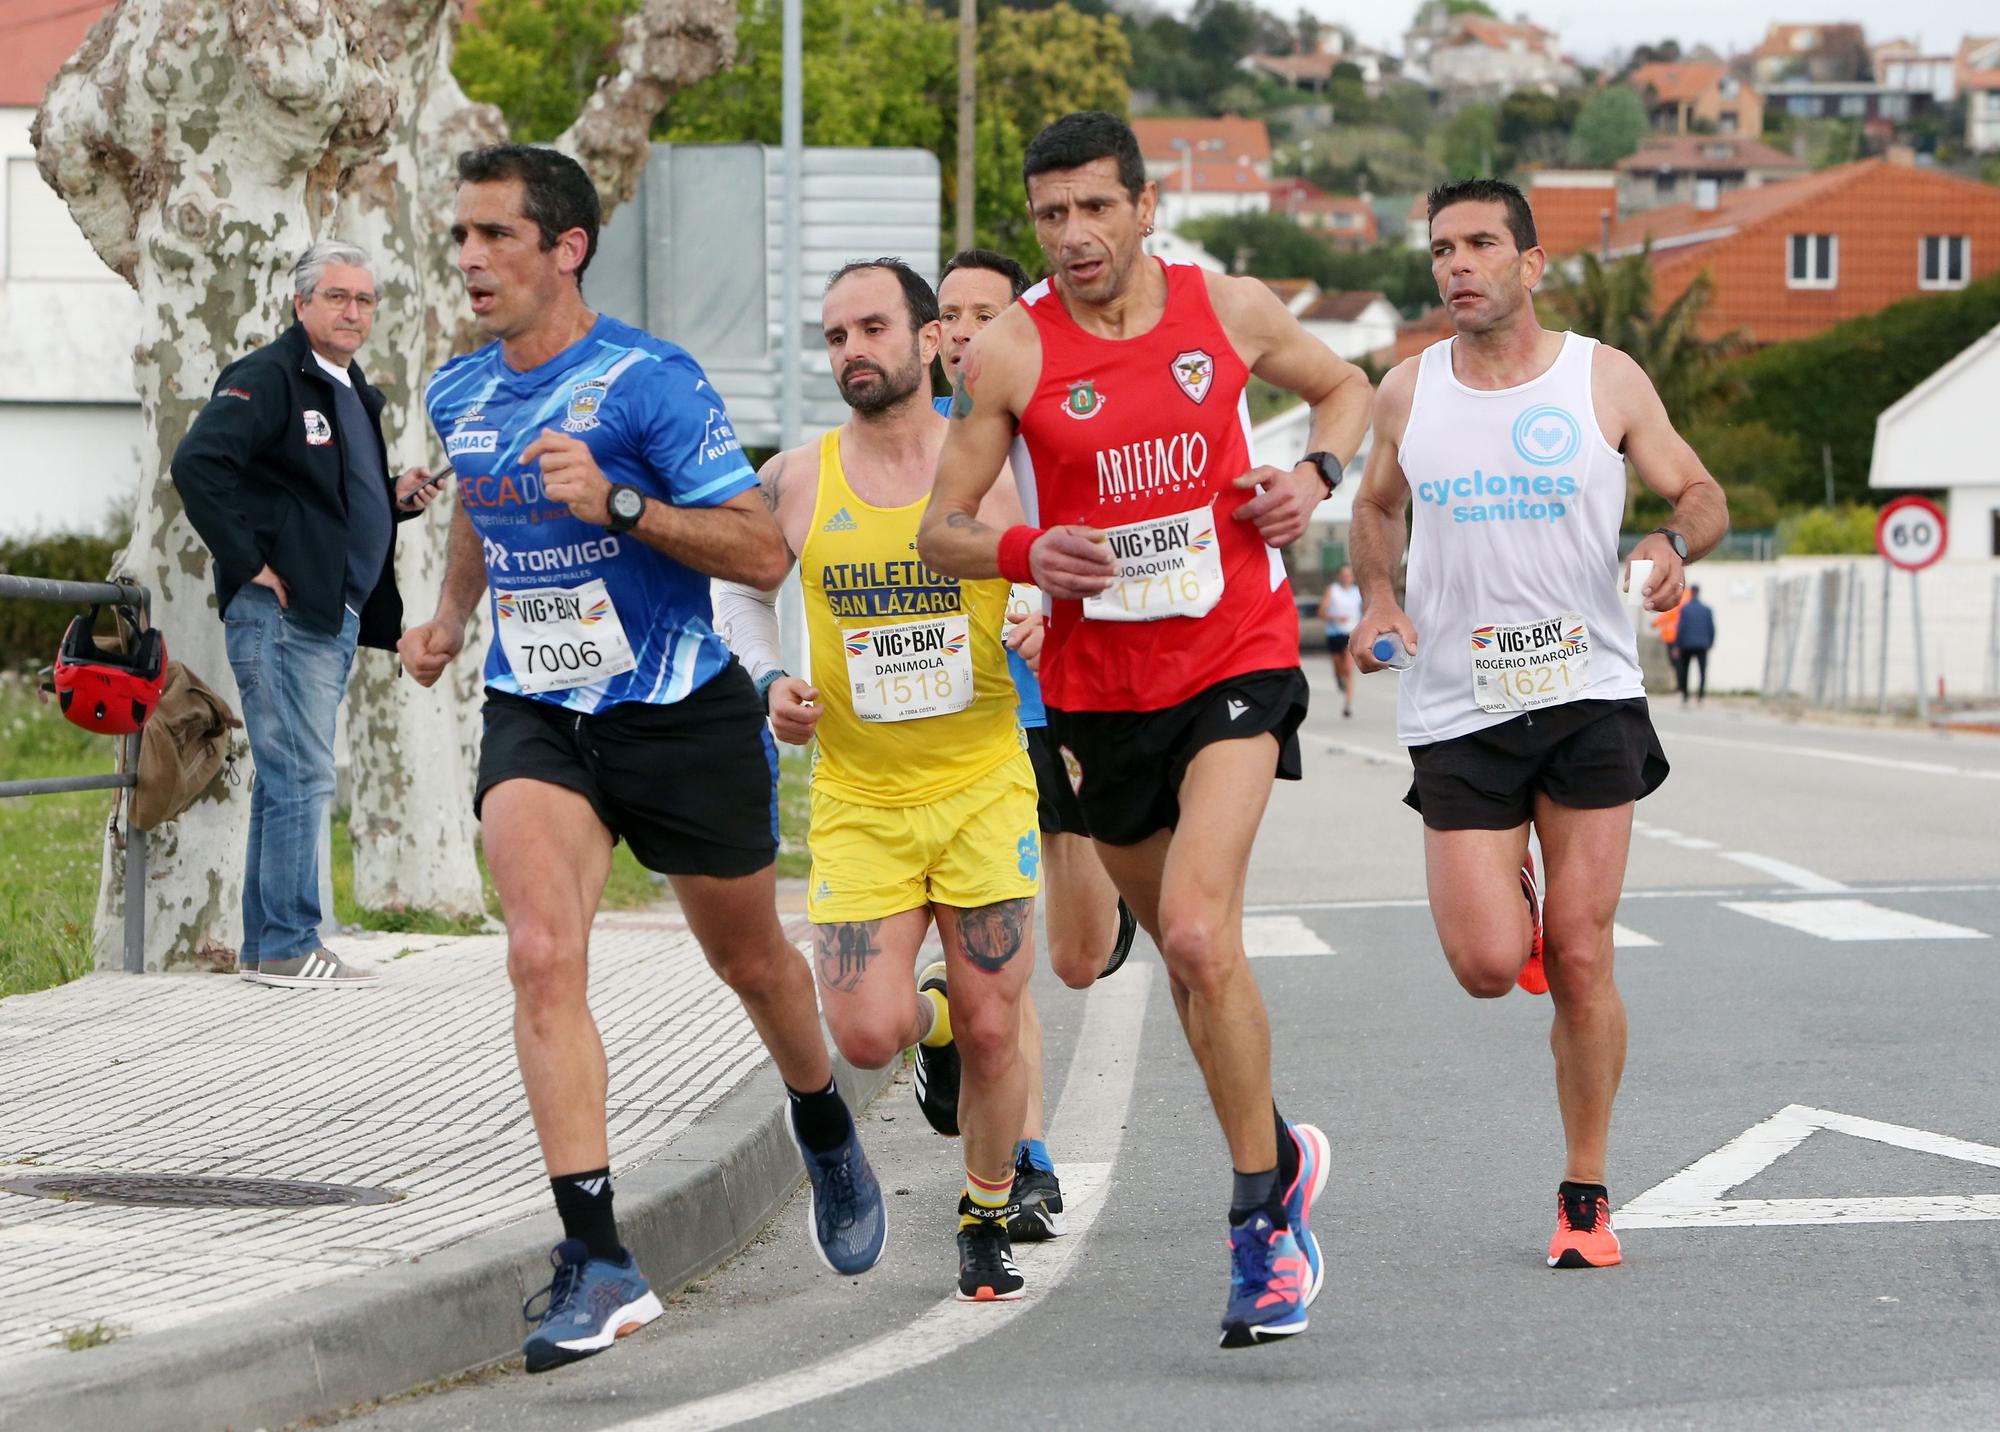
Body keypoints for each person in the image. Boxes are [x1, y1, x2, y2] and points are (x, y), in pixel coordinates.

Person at [397, 145, 884, 1374]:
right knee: (542, 951)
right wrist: (455, 617)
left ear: (565, 248)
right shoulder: (458, 388)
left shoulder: (650, 382)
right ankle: (598, 1254)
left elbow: (762, 553)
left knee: (755, 961)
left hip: (677, 709)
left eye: (496, 235)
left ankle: (821, 1121)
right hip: (538, 711)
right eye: (459, 235)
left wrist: (618, 506)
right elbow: (475, 496)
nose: (468, 258)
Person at [917, 111, 1372, 1348]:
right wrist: (1025, 548)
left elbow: (1346, 388)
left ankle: (1258, 1223)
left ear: (1142, 205)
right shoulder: (1008, 352)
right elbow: (939, 530)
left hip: (1234, 653)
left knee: (1189, 926)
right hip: (1096, 690)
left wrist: (1311, 482)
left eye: (1094, 208)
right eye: (1050, 214)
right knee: (1182, 962)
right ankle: (1277, 1146)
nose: (1073, 235)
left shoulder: (1222, 309)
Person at [1347, 177, 1728, 1271]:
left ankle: (1584, 1191)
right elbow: (1373, 506)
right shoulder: (1404, 391)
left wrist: (1665, 548)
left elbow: (1699, 492)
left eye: (1477, 244)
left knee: (1578, 952)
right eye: (1439, 249)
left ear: (1529, 263)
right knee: (1483, 962)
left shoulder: (1599, 376)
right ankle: (1512, 883)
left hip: (1588, 695)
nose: (1455, 265)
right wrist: (1378, 596)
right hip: (1459, 707)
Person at [713, 257, 1043, 1303]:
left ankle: (983, 1211)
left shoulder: (992, 461)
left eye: (871, 329)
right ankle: (930, 1024)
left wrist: (1043, 606)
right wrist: (769, 676)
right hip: (858, 796)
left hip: (984, 777)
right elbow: (739, 589)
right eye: (834, 337)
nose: (852, 351)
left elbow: (1065, 558)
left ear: (929, 339)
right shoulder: (797, 477)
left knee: (999, 1022)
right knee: (866, 1029)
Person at [935, 247, 1139, 1245]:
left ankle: (951, 1020)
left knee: (1075, 957)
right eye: (947, 315)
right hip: (957, 742)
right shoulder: (904, 444)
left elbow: (1124, 545)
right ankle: (1024, 1159)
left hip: (1061, 711)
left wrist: (1046, 600)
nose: (964, 332)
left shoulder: (1061, 431)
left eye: (984, 312)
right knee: (1000, 968)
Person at [171, 240, 444, 989]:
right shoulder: (267, 378)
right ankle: (292, 943)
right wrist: (248, 561)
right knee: (302, 774)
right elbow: (198, 464)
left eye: (363, 300)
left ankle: (269, 948)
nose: (353, 311)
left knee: (289, 776)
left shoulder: (350, 388)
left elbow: (320, 497)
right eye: (337, 298)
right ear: (301, 304)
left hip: (334, 612)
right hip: (283, 615)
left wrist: (395, 498)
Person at [1318, 565, 1363, 717]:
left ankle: (1348, 705)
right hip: (1334, 633)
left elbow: (1366, 612)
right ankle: (1338, 678)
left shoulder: (1358, 592)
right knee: (1339, 667)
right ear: (1339, 576)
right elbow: (1321, 612)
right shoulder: (1332, 590)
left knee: (1349, 669)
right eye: (1343, 575)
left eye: (1349, 575)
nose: (1346, 578)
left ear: (1353, 577)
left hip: (1351, 634)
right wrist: (1336, 618)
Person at [1674, 585, 1714, 703]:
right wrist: (1710, 643)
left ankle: (1685, 695)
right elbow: (1711, 628)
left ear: (1691, 593)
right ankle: (1701, 695)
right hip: (1702, 645)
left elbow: (1681, 628)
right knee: (1702, 671)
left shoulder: (1685, 609)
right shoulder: (1707, 610)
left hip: (1686, 645)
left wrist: (1677, 645)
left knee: (1685, 670)